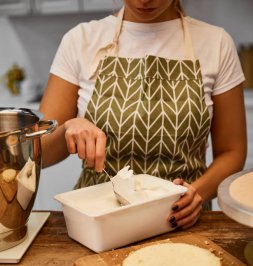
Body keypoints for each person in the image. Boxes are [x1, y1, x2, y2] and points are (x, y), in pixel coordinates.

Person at [40, 0, 247, 229]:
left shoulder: (215, 43)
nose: (144, 0)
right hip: (98, 222)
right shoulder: (80, 41)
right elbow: (40, 154)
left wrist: (196, 193)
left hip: (179, 220)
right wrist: (69, 128)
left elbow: (232, 151)